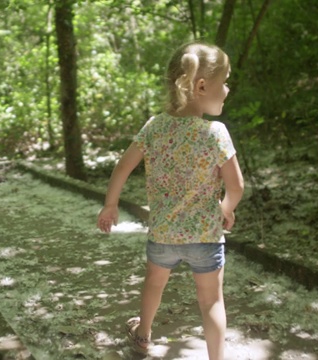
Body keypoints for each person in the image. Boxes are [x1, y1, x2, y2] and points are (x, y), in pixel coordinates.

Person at [96, 42, 244, 359]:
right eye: (225, 81)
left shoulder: (154, 126)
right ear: (202, 86)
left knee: (154, 284)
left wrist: (111, 204)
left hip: (163, 234)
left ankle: (143, 333)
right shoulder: (215, 132)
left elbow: (123, 167)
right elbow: (236, 187)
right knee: (211, 301)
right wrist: (225, 210)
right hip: (205, 236)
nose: (228, 89)